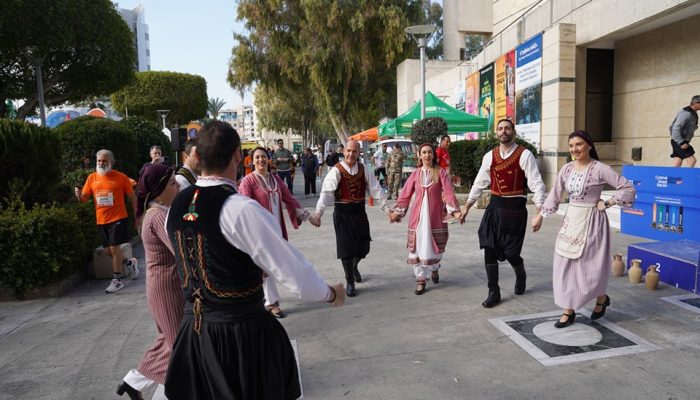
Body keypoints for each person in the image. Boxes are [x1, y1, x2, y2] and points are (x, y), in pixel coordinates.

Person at [164, 121, 344, 400]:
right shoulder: (239, 208)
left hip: (194, 334)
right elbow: (294, 275)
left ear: (196, 156)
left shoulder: (175, 206)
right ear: (239, 155)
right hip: (241, 336)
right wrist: (330, 294)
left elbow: (200, 258)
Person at [531, 130, 636, 328]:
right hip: (571, 220)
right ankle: (568, 311)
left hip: (593, 222)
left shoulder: (600, 169)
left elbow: (628, 188)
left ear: (588, 145)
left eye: (578, 144)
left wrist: (608, 202)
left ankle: (601, 298)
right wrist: (540, 216)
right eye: (571, 146)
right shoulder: (567, 169)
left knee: (590, 267)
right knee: (565, 264)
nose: (574, 149)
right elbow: (555, 193)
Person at [460, 119, 546, 308]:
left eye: (507, 128)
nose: (503, 131)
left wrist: (539, 211)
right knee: (489, 247)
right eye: (500, 128)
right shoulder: (489, 156)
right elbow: (479, 182)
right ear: (496, 133)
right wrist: (467, 206)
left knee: (511, 253)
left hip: (515, 210)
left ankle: (520, 272)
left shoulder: (525, 155)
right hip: (495, 207)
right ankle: (494, 291)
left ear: (513, 132)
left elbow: (536, 183)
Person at [117, 163, 184, 400]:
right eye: (172, 183)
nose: (177, 187)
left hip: (164, 286)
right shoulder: (158, 217)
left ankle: (133, 382)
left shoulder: (156, 213)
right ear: (159, 190)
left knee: (169, 340)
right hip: (167, 288)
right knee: (181, 347)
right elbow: (182, 252)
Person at [309, 140, 389, 297]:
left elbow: (376, 190)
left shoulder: (364, 169)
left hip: (359, 212)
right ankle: (350, 282)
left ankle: (353, 267)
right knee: (346, 249)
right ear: (343, 152)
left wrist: (387, 210)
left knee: (364, 248)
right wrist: (318, 214)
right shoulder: (336, 171)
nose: (351, 154)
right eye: (348, 151)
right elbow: (326, 194)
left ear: (359, 153)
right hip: (342, 213)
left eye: (354, 151)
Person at [239, 147, 311, 318]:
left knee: (273, 265)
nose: (260, 160)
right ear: (251, 161)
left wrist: (308, 216)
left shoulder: (276, 179)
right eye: (256, 157)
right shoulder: (248, 181)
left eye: (263, 156)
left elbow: (289, 199)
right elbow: (244, 206)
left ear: (268, 159)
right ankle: (272, 303)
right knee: (266, 266)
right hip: (259, 232)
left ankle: (263, 298)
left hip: (277, 229)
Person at [389, 144, 462, 295]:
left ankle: (434, 268)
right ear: (420, 156)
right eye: (424, 152)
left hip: (435, 217)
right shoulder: (415, 174)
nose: (427, 155)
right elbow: (405, 195)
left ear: (433, 155)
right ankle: (421, 279)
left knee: (434, 248)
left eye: (429, 152)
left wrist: (454, 211)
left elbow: (448, 192)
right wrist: (398, 212)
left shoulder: (441, 172)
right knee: (417, 248)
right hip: (418, 218)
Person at [75, 149, 139, 294]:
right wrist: (78, 195)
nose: (101, 163)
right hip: (101, 219)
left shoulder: (121, 177)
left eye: (104, 161)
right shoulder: (92, 178)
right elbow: (84, 199)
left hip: (118, 217)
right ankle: (130, 263)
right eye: (99, 161)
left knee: (114, 248)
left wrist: (137, 217)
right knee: (107, 251)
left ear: (111, 162)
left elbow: (131, 197)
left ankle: (117, 280)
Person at [669, 95, 700, 167]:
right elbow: (676, 128)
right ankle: (687, 177)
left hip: (681, 141)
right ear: (696, 103)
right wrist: (682, 142)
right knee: (692, 160)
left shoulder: (693, 113)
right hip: (679, 141)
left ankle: (672, 177)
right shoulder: (686, 113)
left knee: (678, 160)